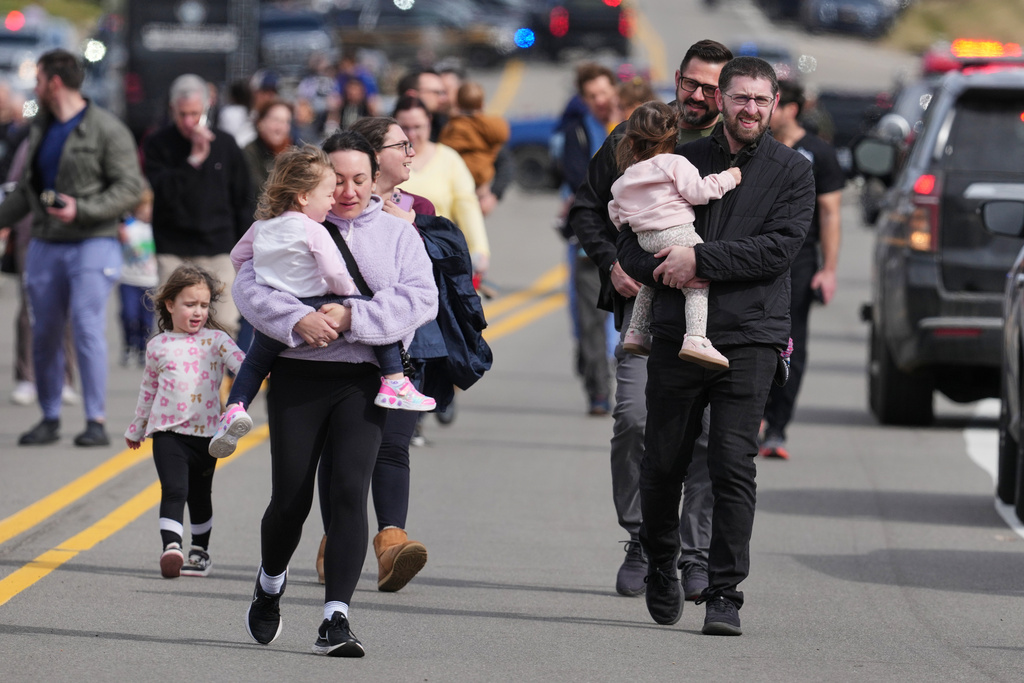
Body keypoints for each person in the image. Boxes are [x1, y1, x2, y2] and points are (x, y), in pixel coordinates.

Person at [616, 56, 815, 635]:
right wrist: (652, 265)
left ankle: (724, 592)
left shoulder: (792, 172)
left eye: (761, 99)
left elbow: (778, 250)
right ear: (720, 100)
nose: (750, 108)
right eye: (740, 98)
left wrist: (699, 258)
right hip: (678, 335)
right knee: (661, 465)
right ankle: (661, 562)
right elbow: (632, 235)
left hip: (751, 335)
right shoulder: (681, 159)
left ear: (774, 104)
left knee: (732, 463)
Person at [234, 130, 437, 656]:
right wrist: (295, 317)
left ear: (376, 180)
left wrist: (354, 316)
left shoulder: (396, 234)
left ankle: (335, 618)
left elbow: (421, 300)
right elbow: (247, 286)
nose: (348, 191)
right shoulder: (285, 226)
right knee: (290, 501)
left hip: (362, 379)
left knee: (348, 494)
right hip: (298, 375)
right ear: (320, 180)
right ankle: (270, 582)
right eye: (338, 179)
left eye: (360, 179)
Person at [569, 39, 733, 600]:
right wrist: (610, 261)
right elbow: (588, 208)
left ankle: (693, 554)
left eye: (712, 87)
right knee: (635, 420)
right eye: (691, 82)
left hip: (712, 315)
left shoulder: (736, 144)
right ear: (679, 78)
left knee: (710, 437)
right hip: (641, 306)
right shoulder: (639, 133)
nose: (699, 95)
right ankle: (641, 538)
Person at [209, 144, 434, 458]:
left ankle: (234, 408)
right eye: (332, 187)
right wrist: (347, 301)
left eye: (358, 180)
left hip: (286, 320)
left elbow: (238, 259)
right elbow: (333, 270)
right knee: (371, 315)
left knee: (255, 361)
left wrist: (271, 275)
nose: (339, 195)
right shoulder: (315, 230)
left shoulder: (262, 226)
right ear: (305, 195)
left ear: (374, 178)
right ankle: (395, 381)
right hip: (314, 318)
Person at [0, 49, 144, 447]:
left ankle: (95, 420)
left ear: (55, 82)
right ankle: (49, 416)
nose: (35, 87)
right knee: (44, 331)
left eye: (39, 79)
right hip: (46, 242)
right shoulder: (39, 128)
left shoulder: (106, 129)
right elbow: (28, 193)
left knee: (85, 324)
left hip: (92, 241)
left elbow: (131, 188)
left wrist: (84, 208)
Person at [124, 265, 245, 578]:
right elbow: (147, 391)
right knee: (174, 489)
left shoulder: (217, 340)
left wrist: (260, 370)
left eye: (204, 306)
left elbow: (242, 365)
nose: (198, 312)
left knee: (201, 495)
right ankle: (172, 548)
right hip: (168, 433)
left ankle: (199, 552)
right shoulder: (157, 346)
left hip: (208, 435)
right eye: (190, 305)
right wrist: (137, 427)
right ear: (170, 305)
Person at [609, 101, 740, 367]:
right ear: (673, 137)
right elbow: (700, 192)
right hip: (676, 233)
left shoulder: (624, 180)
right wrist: (729, 178)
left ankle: (636, 330)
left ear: (631, 143)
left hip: (644, 238)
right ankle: (696, 337)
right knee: (697, 283)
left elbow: (616, 214)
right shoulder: (674, 162)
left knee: (651, 282)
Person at [760, 79, 845, 459]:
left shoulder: (819, 154)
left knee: (791, 345)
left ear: (790, 109)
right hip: (754, 259)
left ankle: (777, 427)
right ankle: (752, 419)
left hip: (800, 262)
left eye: (771, 104)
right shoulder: (754, 147)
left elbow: (830, 214)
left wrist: (829, 269)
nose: (762, 111)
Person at [143, 73, 254, 339]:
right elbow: (164, 193)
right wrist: (193, 160)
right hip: (174, 249)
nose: (189, 122)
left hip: (218, 247)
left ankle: (213, 381)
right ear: (172, 110)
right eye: (182, 114)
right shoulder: (158, 144)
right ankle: (176, 380)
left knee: (224, 325)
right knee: (172, 327)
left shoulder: (226, 145)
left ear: (207, 107)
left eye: (195, 113)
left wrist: (245, 251)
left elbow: (243, 199)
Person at [393, 95, 490, 280]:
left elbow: (467, 206)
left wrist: (479, 251)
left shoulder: (449, 159)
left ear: (429, 121)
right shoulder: (387, 163)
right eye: (405, 128)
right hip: (399, 258)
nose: (411, 135)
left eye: (417, 127)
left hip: (441, 255)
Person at [439, 81, 510, 193]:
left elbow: (444, 148)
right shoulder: (491, 125)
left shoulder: (454, 127)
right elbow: (502, 134)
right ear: (482, 104)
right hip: (484, 180)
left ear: (457, 104)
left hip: (461, 180)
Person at [117, 186, 158, 367]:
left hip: (149, 281)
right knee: (129, 314)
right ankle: (128, 344)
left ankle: (142, 347)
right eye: (143, 209)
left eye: (150, 208)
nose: (147, 212)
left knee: (146, 318)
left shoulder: (157, 228)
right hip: (128, 279)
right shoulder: (128, 227)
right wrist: (120, 236)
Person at [242, 99, 294, 201]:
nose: (280, 128)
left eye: (286, 122)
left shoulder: (292, 153)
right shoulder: (248, 153)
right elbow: (258, 190)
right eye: (276, 120)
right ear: (260, 123)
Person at [396, 68, 451, 142]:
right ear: (412, 94)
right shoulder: (387, 132)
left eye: (443, 92)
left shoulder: (444, 125)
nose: (443, 99)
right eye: (436, 93)